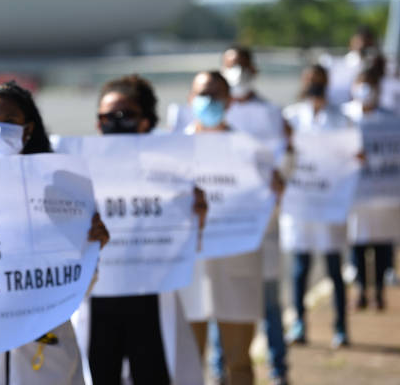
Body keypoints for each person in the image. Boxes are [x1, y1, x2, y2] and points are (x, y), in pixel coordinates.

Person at [0, 80, 110, 385]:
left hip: (46, 352)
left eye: (10, 121)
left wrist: (91, 250)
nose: (0, 129)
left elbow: (78, 286)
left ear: (28, 128)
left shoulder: (60, 194)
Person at [91, 74, 207, 385]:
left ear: (145, 121)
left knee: (153, 373)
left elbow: (186, 242)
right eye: (107, 117)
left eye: (125, 114)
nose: (115, 122)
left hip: (149, 297)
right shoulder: (80, 171)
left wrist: (195, 212)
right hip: (98, 300)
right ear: (97, 123)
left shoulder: (170, 173)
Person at [178, 70, 281, 385]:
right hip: (188, 270)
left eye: (216, 94)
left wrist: (276, 190)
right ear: (190, 99)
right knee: (187, 364)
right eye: (202, 94)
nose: (209, 101)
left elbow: (269, 209)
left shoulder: (251, 151)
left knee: (239, 365)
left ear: (230, 100)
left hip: (236, 263)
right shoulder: (172, 150)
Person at [202, 47, 290, 385]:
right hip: (214, 238)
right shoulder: (193, 131)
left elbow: (279, 164)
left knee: (265, 304)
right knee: (214, 306)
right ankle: (218, 370)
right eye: (230, 66)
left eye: (241, 65)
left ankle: (278, 367)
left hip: (255, 230)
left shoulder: (270, 114)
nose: (236, 71)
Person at [281, 64, 351, 349]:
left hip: (329, 205)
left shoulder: (341, 119)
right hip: (302, 205)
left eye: (319, 80)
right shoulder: (291, 117)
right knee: (300, 269)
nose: (314, 85)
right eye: (309, 80)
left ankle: (341, 327)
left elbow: (351, 157)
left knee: (335, 269)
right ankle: (299, 323)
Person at [342, 60, 400, 310]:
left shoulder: (394, 120)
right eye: (361, 85)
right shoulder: (345, 116)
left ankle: (378, 290)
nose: (365, 90)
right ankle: (360, 288)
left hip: (385, 196)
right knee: (357, 243)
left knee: (381, 246)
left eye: (370, 85)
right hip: (356, 195)